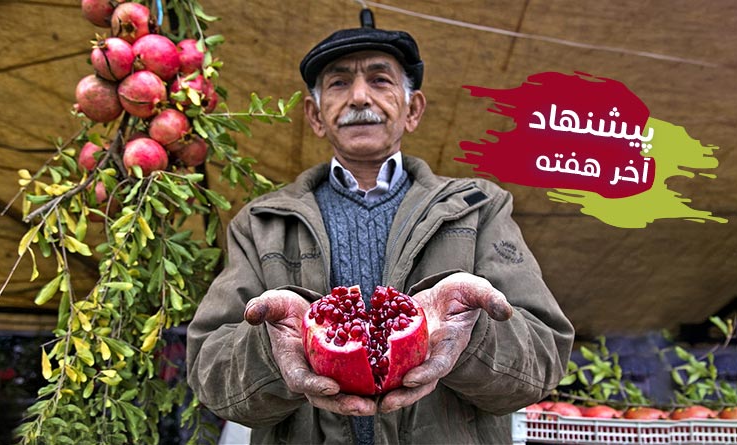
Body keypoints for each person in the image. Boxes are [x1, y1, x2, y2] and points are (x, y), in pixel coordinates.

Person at [186, 21, 575, 445]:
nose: (358, 97)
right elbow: (209, 372)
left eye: (379, 79)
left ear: (413, 109)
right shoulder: (260, 223)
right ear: (315, 116)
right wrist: (270, 353)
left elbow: (545, 357)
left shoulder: (479, 208)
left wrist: (470, 337)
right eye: (338, 83)